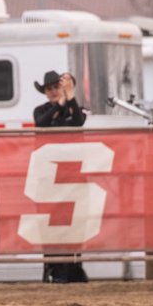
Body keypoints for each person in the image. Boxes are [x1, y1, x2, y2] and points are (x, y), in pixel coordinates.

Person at [31, 70, 90, 283]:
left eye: (57, 87)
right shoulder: (41, 110)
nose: (54, 91)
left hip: (72, 178)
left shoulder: (74, 108)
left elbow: (78, 121)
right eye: (50, 89)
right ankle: (53, 270)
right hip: (48, 179)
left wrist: (70, 99)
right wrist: (60, 103)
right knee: (50, 229)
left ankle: (73, 269)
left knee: (74, 226)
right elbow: (42, 124)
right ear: (45, 92)